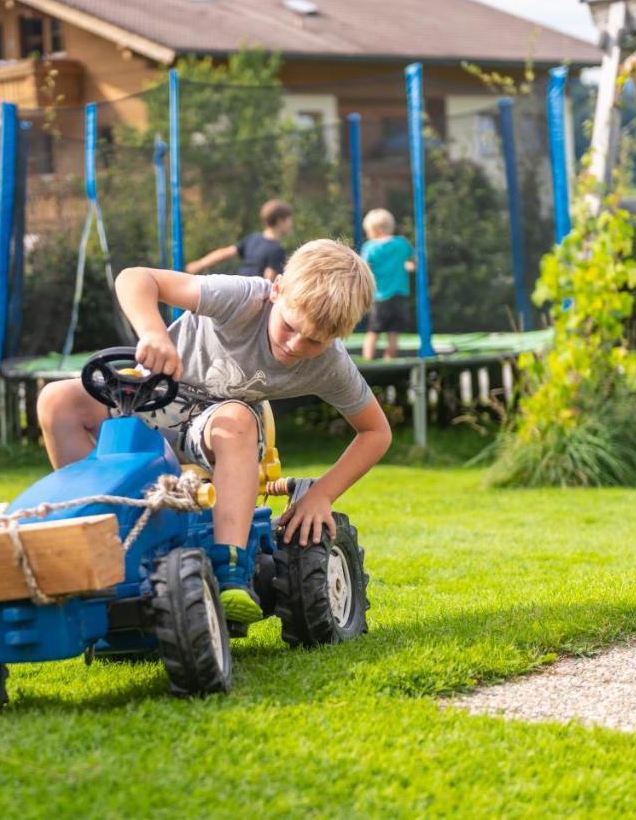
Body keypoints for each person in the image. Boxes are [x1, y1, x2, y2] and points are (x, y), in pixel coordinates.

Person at [36, 240, 392, 625]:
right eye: (289, 326)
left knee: (236, 419)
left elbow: (376, 432)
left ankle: (230, 571)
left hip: (218, 426)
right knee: (56, 400)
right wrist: (153, 333)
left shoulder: (329, 364)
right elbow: (136, 278)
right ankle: (91, 537)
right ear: (277, 289)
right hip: (154, 395)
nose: (294, 345)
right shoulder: (241, 299)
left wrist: (321, 494)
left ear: (336, 337)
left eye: (314, 341)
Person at [185, 199, 293, 281]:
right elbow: (269, 281)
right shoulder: (277, 250)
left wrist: (199, 264)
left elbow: (224, 253)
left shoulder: (253, 238)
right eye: (289, 220)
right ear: (280, 221)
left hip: (239, 287)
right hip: (254, 299)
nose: (291, 224)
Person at [359, 208, 416, 360]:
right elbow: (412, 264)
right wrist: (403, 267)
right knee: (393, 332)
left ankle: (367, 360)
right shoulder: (402, 244)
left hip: (380, 295)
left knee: (373, 331)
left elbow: (365, 270)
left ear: (373, 230)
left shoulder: (370, 247)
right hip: (399, 294)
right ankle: (389, 361)